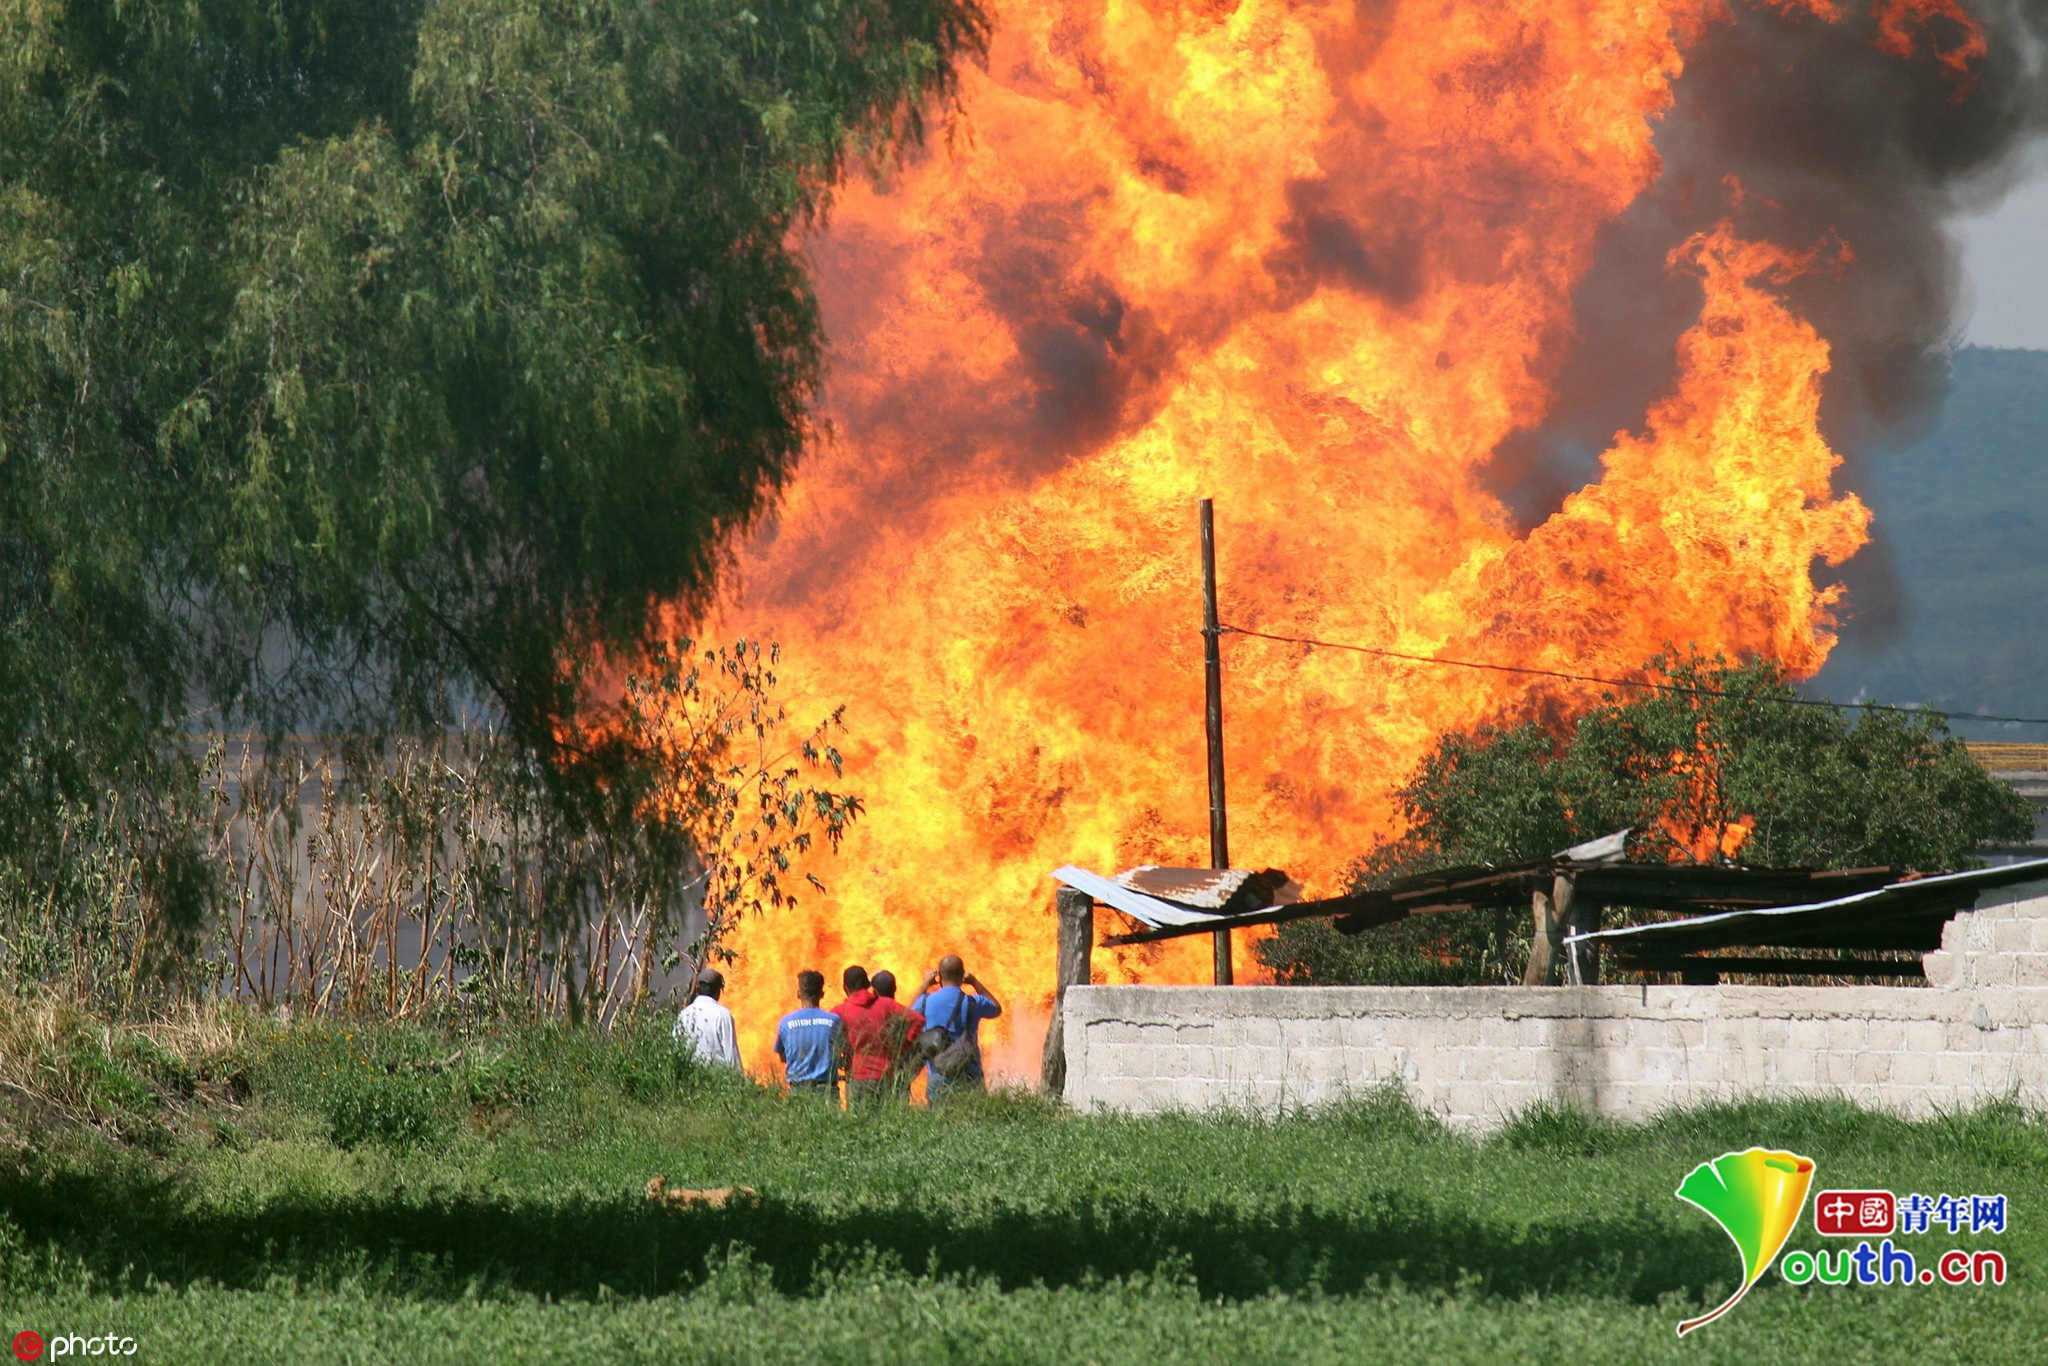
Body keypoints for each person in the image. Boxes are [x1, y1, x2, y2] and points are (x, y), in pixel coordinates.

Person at [910, 954, 1002, 1101]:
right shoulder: (973, 1002)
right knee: (973, 1120)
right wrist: (975, 982)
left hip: (938, 1073)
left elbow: (908, 1015)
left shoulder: (926, 1001)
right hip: (969, 1073)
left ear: (939, 976)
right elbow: (996, 1008)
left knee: (938, 1120)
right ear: (962, 977)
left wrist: (925, 983)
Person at [833, 965, 923, 1106]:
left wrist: (838, 1059)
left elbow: (825, 1033)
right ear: (868, 985)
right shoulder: (886, 1004)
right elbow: (918, 1019)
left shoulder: (840, 1011)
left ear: (845, 988)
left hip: (857, 1078)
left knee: (859, 1125)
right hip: (885, 1076)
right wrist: (903, 1046)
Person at [775, 968, 847, 1100]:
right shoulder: (834, 1021)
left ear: (799, 993)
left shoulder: (786, 1022)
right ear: (822, 994)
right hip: (827, 1091)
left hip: (798, 1090)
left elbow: (783, 1056)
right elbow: (842, 1051)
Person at [672, 968, 741, 1070]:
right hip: (716, 1081)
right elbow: (731, 1056)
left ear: (697, 989)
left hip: (688, 1079)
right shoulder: (723, 1015)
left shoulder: (684, 1014)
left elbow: (675, 1049)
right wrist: (740, 1083)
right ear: (718, 991)